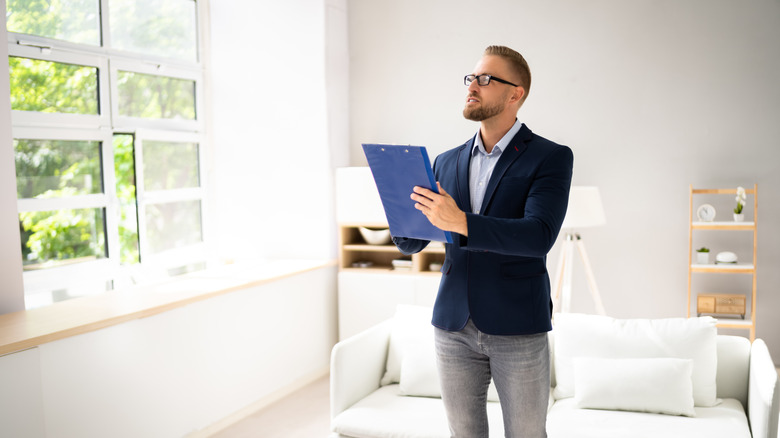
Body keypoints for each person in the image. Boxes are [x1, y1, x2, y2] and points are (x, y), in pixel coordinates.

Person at [392, 45, 574, 438]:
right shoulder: (444, 161)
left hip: (518, 329)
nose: (473, 85)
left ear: (515, 94)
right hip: (453, 326)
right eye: (471, 78)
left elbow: (538, 236)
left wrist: (461, 222)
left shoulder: (550, 157)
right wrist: (399, 203)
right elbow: (411, 243)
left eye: (486, 79)